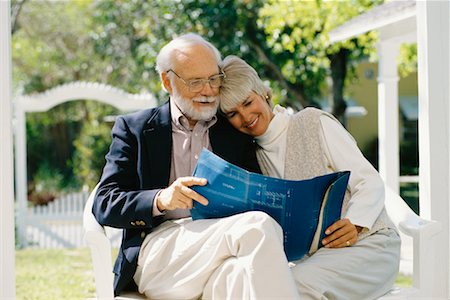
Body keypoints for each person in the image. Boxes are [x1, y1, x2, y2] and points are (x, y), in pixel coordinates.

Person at [92, 34, 300, 299]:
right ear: (167, 81)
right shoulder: (135, 129)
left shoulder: (233, 130)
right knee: (256, 227)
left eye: (214, 79)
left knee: (236, 275)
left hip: (226, 246)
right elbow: (105, 203)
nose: (209, 90)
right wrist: (161, 199)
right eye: (196, 82)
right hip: (159, 252)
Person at [219, 55, 401, 300]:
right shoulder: (251, 158)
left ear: (263, 92)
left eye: (248, 102)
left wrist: (355, 223)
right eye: (233, 114)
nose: (245, 116)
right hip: (318, 260)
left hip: (371, 245)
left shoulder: (312, 122)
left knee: (291, 285)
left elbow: (368, 180)